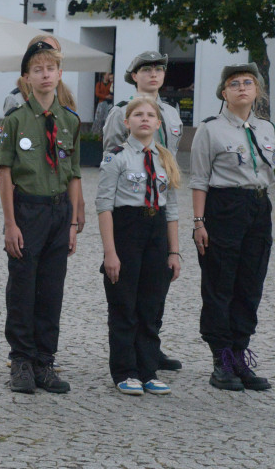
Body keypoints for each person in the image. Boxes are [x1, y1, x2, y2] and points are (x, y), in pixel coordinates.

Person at [0, 40, 82, 395]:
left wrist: (75, 221)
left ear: (60, 74)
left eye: (51, 69)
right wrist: (11, 223)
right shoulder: (15, 121)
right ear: (26, 79)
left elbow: (74, 172)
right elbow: (4, 172)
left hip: (59, 211)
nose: (45, 75)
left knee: (51, 288)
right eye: (37, 70)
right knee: (23, 286)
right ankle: (21, 360)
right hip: (27, 209)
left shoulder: (70, 120)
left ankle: (44, 361)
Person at [191, 63, 274, 392]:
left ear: (257, 91)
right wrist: (199, 222)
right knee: (220, 283)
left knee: (250, 283)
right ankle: (221, 359)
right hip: (224, 207)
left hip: (257, 206)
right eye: (234, 84)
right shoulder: (210, 129)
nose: (242, 88)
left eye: (248, 83)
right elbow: (199, 180)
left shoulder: (267, 129)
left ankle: (239, 354)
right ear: (223, 93)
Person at [102, 50, 184, 371]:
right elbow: (111, 153)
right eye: (146, 69)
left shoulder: (172, 115)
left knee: (157, 279)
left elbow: (172, 162)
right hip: (130, 205)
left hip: (162, 203)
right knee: (129, 283)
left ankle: (150, 345)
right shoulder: (121, 112)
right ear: (133, 75)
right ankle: (128, 352)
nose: (153, 74)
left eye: (158, 69)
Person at [3, 36, 60, 116]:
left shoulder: (66, 95)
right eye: (38, 70)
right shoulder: (15, 98)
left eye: (55, 51)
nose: (46, 75)